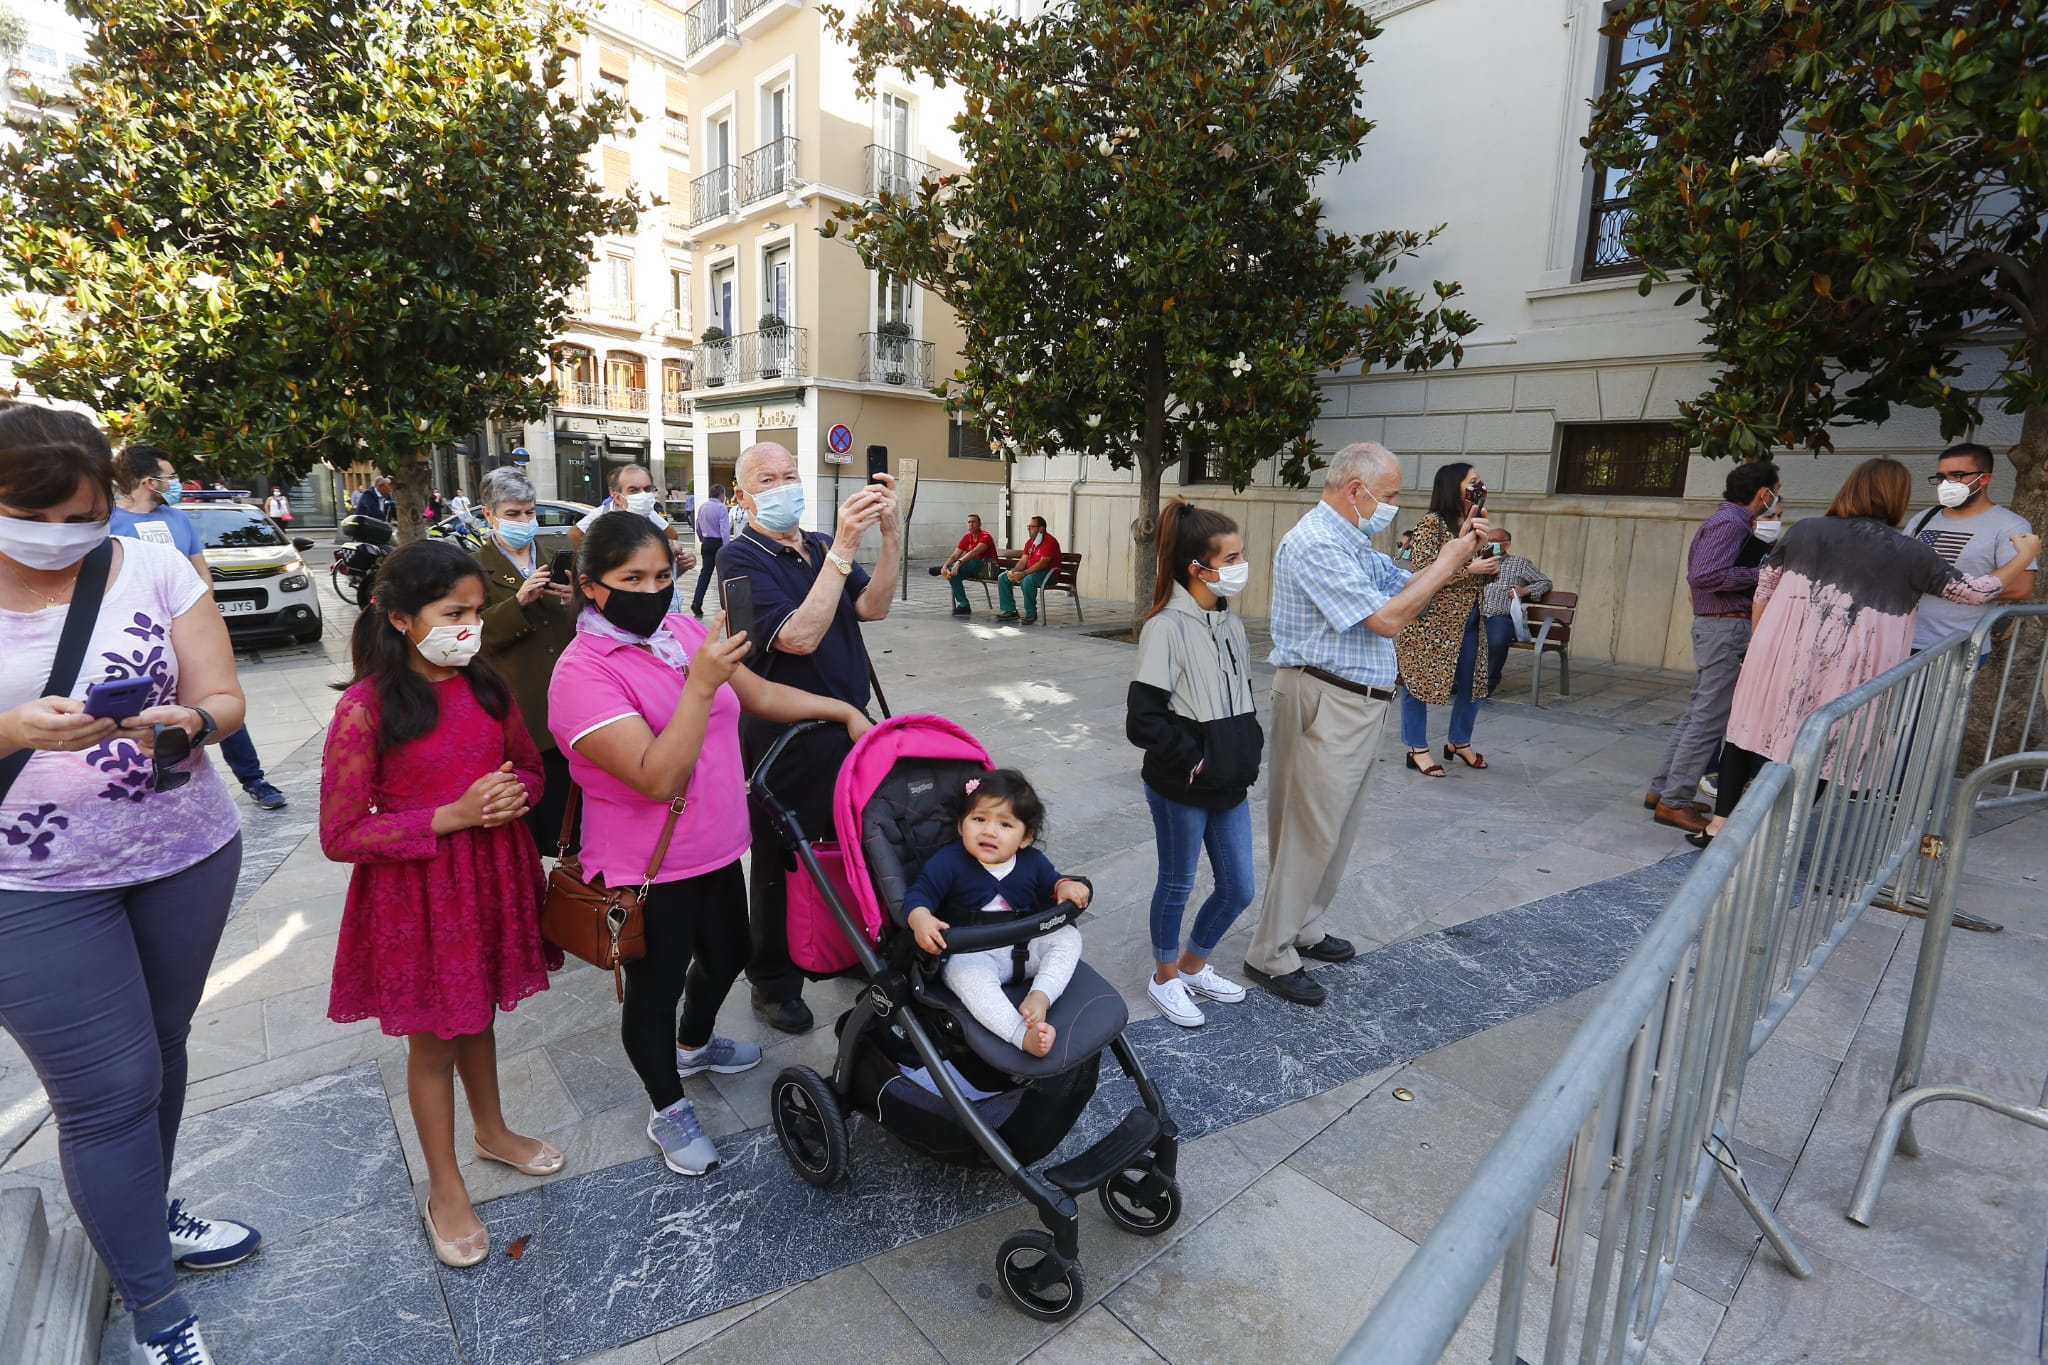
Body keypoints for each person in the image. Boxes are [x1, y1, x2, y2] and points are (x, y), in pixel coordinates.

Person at [0, 407, 261, 1365]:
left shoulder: (149, 563)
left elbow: (225, 697)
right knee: (109, 1088)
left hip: (181, 853)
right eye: (41, 517)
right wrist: (17, 729)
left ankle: (145, 1214)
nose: (65, 536)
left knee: (160, 1049)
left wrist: (185, 719)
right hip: (26, 884)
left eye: (86, 515)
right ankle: (156, 1310)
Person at [548, 511, 871, 1172]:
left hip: (719, 844)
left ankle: (693, 1044)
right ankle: (667, 1106)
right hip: (648, 867)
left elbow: (755, 692)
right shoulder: (580, 673)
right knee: (655, 986)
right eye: (631, 577)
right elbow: (656, 773)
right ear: (590, 584)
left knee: (730, 955)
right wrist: (698, 683)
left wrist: (839, 709)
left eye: (664, 573)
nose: (653, 588)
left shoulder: (681, 629)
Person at [320, 539, 562, 1268]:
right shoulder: (367, 709)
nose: (470, 625)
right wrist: (446, 816)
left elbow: (528, 763)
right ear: (399, 618)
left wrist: (518, 790)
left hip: (492, 875)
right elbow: (340, 831)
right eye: (452, 613)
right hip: (417, 894)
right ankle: (445, 1184)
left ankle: (492, 1129)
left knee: (478, 1009)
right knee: (433, 1041)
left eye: (473, 611)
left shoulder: (485, 682)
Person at [1250, 442, 1491, 1005]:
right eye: (1388, 496)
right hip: (1323, 698)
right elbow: (1388, 619)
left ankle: (1304, 928)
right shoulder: (1314, 542)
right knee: (1308, 832)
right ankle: (1270, 951)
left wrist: (1450, 554)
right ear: (1354, 490)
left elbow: (1399, 584)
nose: (1393, 507)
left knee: (1336, 830)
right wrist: (1452, 563)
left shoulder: (1350, 539)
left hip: (1355, 701)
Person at [1696, 458, 2040, 846]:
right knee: (1828, 745)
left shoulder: (1805, 530)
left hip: (1777, 653)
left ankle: (1719, 825)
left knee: (1747, 731)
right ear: (1898, 497)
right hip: (1850, 667)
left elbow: (1764, 589)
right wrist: (2025, 556)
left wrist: (1761, 647)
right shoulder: (1909, 552)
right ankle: (1778, 837)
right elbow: (1975, 592)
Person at [718, 441, 900, 1034]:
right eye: (766, 479)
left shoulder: (818, 546)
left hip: (849, 723)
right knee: (779, 856)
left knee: (852, 842)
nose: (782, 486)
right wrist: (844, 550)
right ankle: (772, 980)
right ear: (742, 496)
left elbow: (872, 608)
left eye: (790, 474)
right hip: (784, 735)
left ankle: (846, 945)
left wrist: (889, 534)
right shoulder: (738, 559)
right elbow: (796, 638)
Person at [1125, 501, 1262, 1027]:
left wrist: (1243, 746)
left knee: (1238, 888)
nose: (1239, 565)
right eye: (1231, 557)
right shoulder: (1165, 626)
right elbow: (1144, 720)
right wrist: (1197, 759)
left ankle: (1192, 966)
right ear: (1196, 568)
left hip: (1229, 779)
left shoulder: (1229, 622)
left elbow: (1241, 698)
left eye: (1240, 554)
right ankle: (1164, 979)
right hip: (1182, 785)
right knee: (1178, 882)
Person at [112, 445, 290, 811]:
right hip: (137, 640)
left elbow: (201, 573)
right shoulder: (109, 524)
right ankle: (159, 788)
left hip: (188, 633)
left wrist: (201, 618)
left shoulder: (179, 520)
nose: (175, 483)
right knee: (147, 718)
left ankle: (253, 780)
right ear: (149, 481)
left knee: (216, 705)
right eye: (170, 476)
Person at [905, 770, 1092, 1057]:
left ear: (1025, 837)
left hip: (1026, 947)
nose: (989, 831)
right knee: (962, 973)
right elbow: (920, 894)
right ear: (960, 825)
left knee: (1067, 936)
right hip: (975, 953)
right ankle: (1020, 1034)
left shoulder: (1033, 862)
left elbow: (1052, 884)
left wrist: (1064, 886)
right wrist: (921, 918)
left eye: (1005, 824)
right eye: (979, 819)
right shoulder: (948, 862)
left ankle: (1041, 995)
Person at [1645, 461, 1782, 836]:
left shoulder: (1730, 521)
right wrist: (1764, 575)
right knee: (1707, 718)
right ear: (1763, 493)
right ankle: (1674, 801)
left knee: (1697, 714)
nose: (1775, 500)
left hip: (1720, 626)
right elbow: (1704, 576)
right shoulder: (1731, 523)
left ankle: (1664, 793)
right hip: (1724, 627)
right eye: (1776, 491)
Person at [472, 467, 579, 851]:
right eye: (513, 514)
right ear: (489, 515)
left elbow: (588, 622)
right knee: (531, 829)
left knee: (577, 828)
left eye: (530, 513)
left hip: (572, 704)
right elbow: (471, 636)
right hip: (520, 710)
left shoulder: (557, 555)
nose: (524, 521)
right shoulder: (474, 568)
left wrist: (576, 601)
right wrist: (517, 603)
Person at [1394, 464, 1502, 777]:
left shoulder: (1476, 522)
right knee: (1418, 683)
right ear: (1454, 486)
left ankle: (1459, 742)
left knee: (1473, 683)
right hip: (1431, 623)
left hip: (1469, 618)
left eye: (1480, 481)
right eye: (1473, 481)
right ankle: (1417, 748)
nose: (1479, 486)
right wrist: (1469, 570)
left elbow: (1476, 570)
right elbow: (1423, 573)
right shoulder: (1432, 524)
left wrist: (1487, 569)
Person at [1909, 441, 2038, 658]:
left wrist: (1945, 588)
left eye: (1958, 475)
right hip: (1903, 638)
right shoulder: (1924, 518)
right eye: (1941, 477)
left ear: (1984, 478)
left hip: (1957, 646)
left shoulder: (2009, 525)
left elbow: (2021, 587)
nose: (1947, 483)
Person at [569, 464, 697, 609]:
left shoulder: (649, 513)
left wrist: (672, 557)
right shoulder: (603, 516)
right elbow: (574, 534)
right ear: (616, 495)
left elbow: (672, 535)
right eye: (634, 490)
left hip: (663, 608)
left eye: (648, 489)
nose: (642, 495)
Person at [1478, 530, 1553, 692]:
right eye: (1488, 540)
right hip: (1476, 615)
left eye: (1496, 540)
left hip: (1500, 617)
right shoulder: (1479, 562)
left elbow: (1545, 582)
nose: (1492, 544)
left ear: (1507, 544)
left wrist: (1524, 591)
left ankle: (1488, 683)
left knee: (1497, 641)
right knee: (1456, 637)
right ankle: (1456, 682)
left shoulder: (1520, 563)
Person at [996, 515, 1061, 624]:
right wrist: (1014, 571)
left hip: (1047, 574)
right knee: (1003, 577)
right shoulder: (1030, 542)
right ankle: (1010, 611)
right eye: (1028, 526)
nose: (1029, 529)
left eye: (1032, 526)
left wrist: (1023, 573)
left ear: (1041, 528)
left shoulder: (1050, 541)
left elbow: (1043, 563)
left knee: (1027, 580)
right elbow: (1023, 561)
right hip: (1031, 573)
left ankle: (1031, 614)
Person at [936, 513, 1000, 617]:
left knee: (973, 560)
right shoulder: (966, 538)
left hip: (987, 570)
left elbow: (974, 552)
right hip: (973, 569)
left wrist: (958, 563)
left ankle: (946, 569)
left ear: (979, 524)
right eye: (969, 522)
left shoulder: (986, 536)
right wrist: (945, 566)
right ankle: (964, 605)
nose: (971, 524)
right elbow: (955, 555)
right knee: (953, 574)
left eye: (974, 522)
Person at [691, 483, 729, 617]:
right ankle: (725, 606)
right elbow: (724, 530)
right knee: (722, 575)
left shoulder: (702, 507)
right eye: (724, 494)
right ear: (721, 494)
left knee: (705, 574)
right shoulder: (721, 508)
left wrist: (702, 539)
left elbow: (698, 526)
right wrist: (727, 547)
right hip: (718, 542)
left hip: (706, 542)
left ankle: (697, 602)